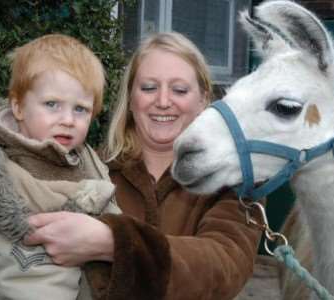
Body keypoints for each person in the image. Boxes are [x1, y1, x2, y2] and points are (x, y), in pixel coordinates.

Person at [24, 32, 261, 300]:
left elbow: (226, 266)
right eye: (148, 87)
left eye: (179, 90)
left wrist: (114, 242)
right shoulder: (90, 170)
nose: (162, 101)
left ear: (203, 99)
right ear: (131, 98)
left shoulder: (232, 179)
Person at [0, 34, 120, 300]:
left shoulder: (85, 160)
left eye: (81, 109)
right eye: (52, 104)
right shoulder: (4, 171)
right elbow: (31, 275)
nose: (67, 120)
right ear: (17, 106)